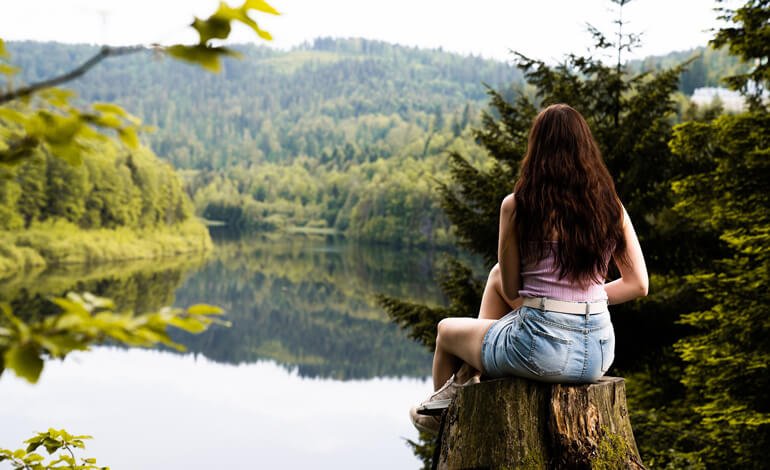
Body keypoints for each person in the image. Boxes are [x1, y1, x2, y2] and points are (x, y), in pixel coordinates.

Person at [410, 103, 649, 434]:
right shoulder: (611, 208)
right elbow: (638, 284)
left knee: (446, 331)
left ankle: (445, 420)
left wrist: (555, 305)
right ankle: (467, 377)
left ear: (537, 149)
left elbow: (511, 289)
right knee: (494, 275)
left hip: (541, 352)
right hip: (598, 352)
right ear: (587, 149)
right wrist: (578, 301)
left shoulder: (519, 206)